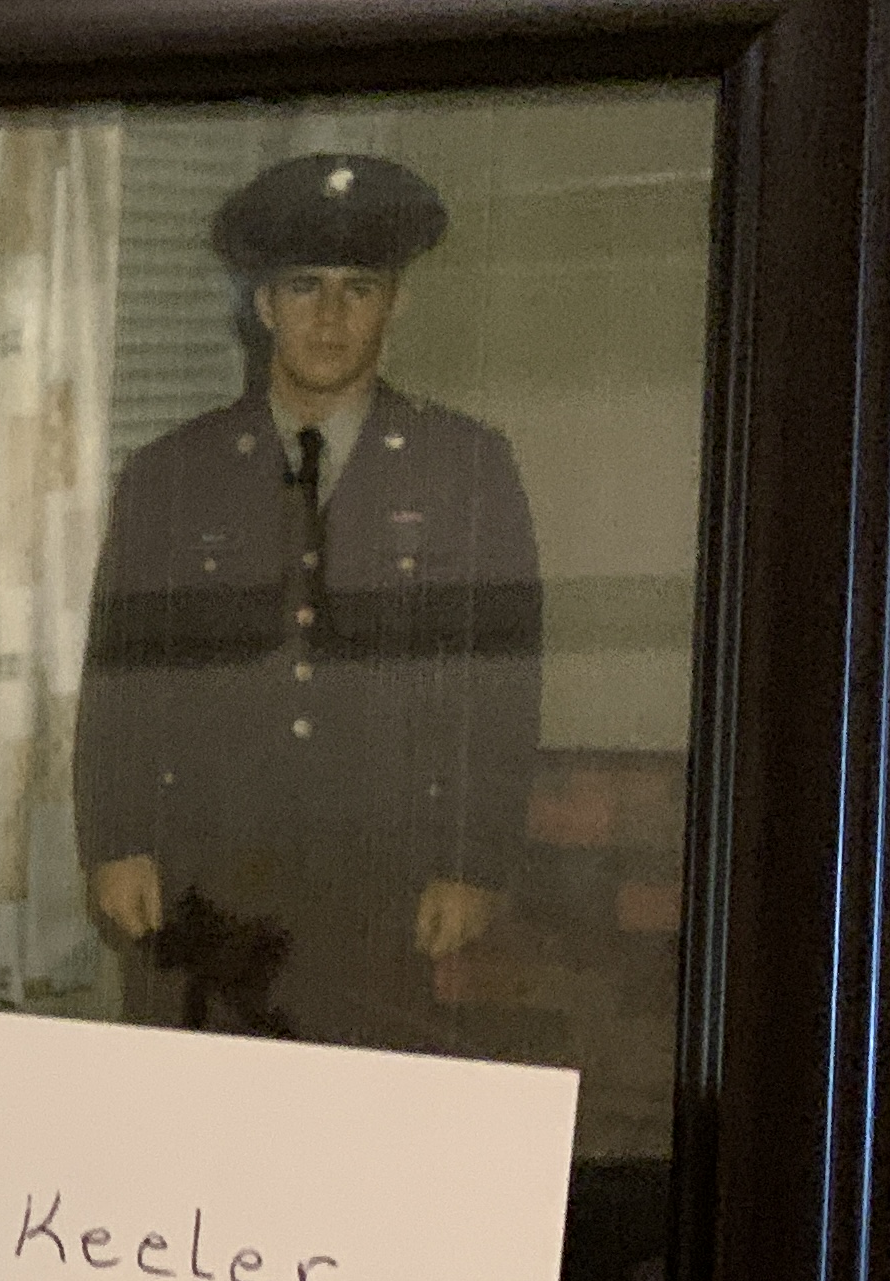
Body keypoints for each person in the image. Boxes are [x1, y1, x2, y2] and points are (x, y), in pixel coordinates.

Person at [72, 150, 542, 1050]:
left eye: (358, 289)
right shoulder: (173, 474)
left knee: (361, 1106)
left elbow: (502, 688)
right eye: (303, 287)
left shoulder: (466, 468)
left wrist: (473, 862)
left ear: (396, 303)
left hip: (385, 873)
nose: (329, 317)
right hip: (201, 869)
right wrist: (117, 842)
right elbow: (122, 680)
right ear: (263, 306)